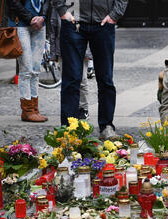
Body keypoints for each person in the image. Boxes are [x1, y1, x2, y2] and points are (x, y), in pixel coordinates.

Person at [53, 0, 128, 139]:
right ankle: (69, 129)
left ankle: (106, 126)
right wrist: (63, 11)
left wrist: (115, 14)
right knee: (72, 79)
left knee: (105, 79)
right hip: (73, 21)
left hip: (104, 23)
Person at [6, 0, 49, 122]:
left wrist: (43, 17)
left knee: (36, 70)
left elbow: (47, 2)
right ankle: (27, 111)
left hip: (40, 25)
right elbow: (13, 2)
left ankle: (35, 109)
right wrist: (31, 19)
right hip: (21, 25)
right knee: (26, 70)